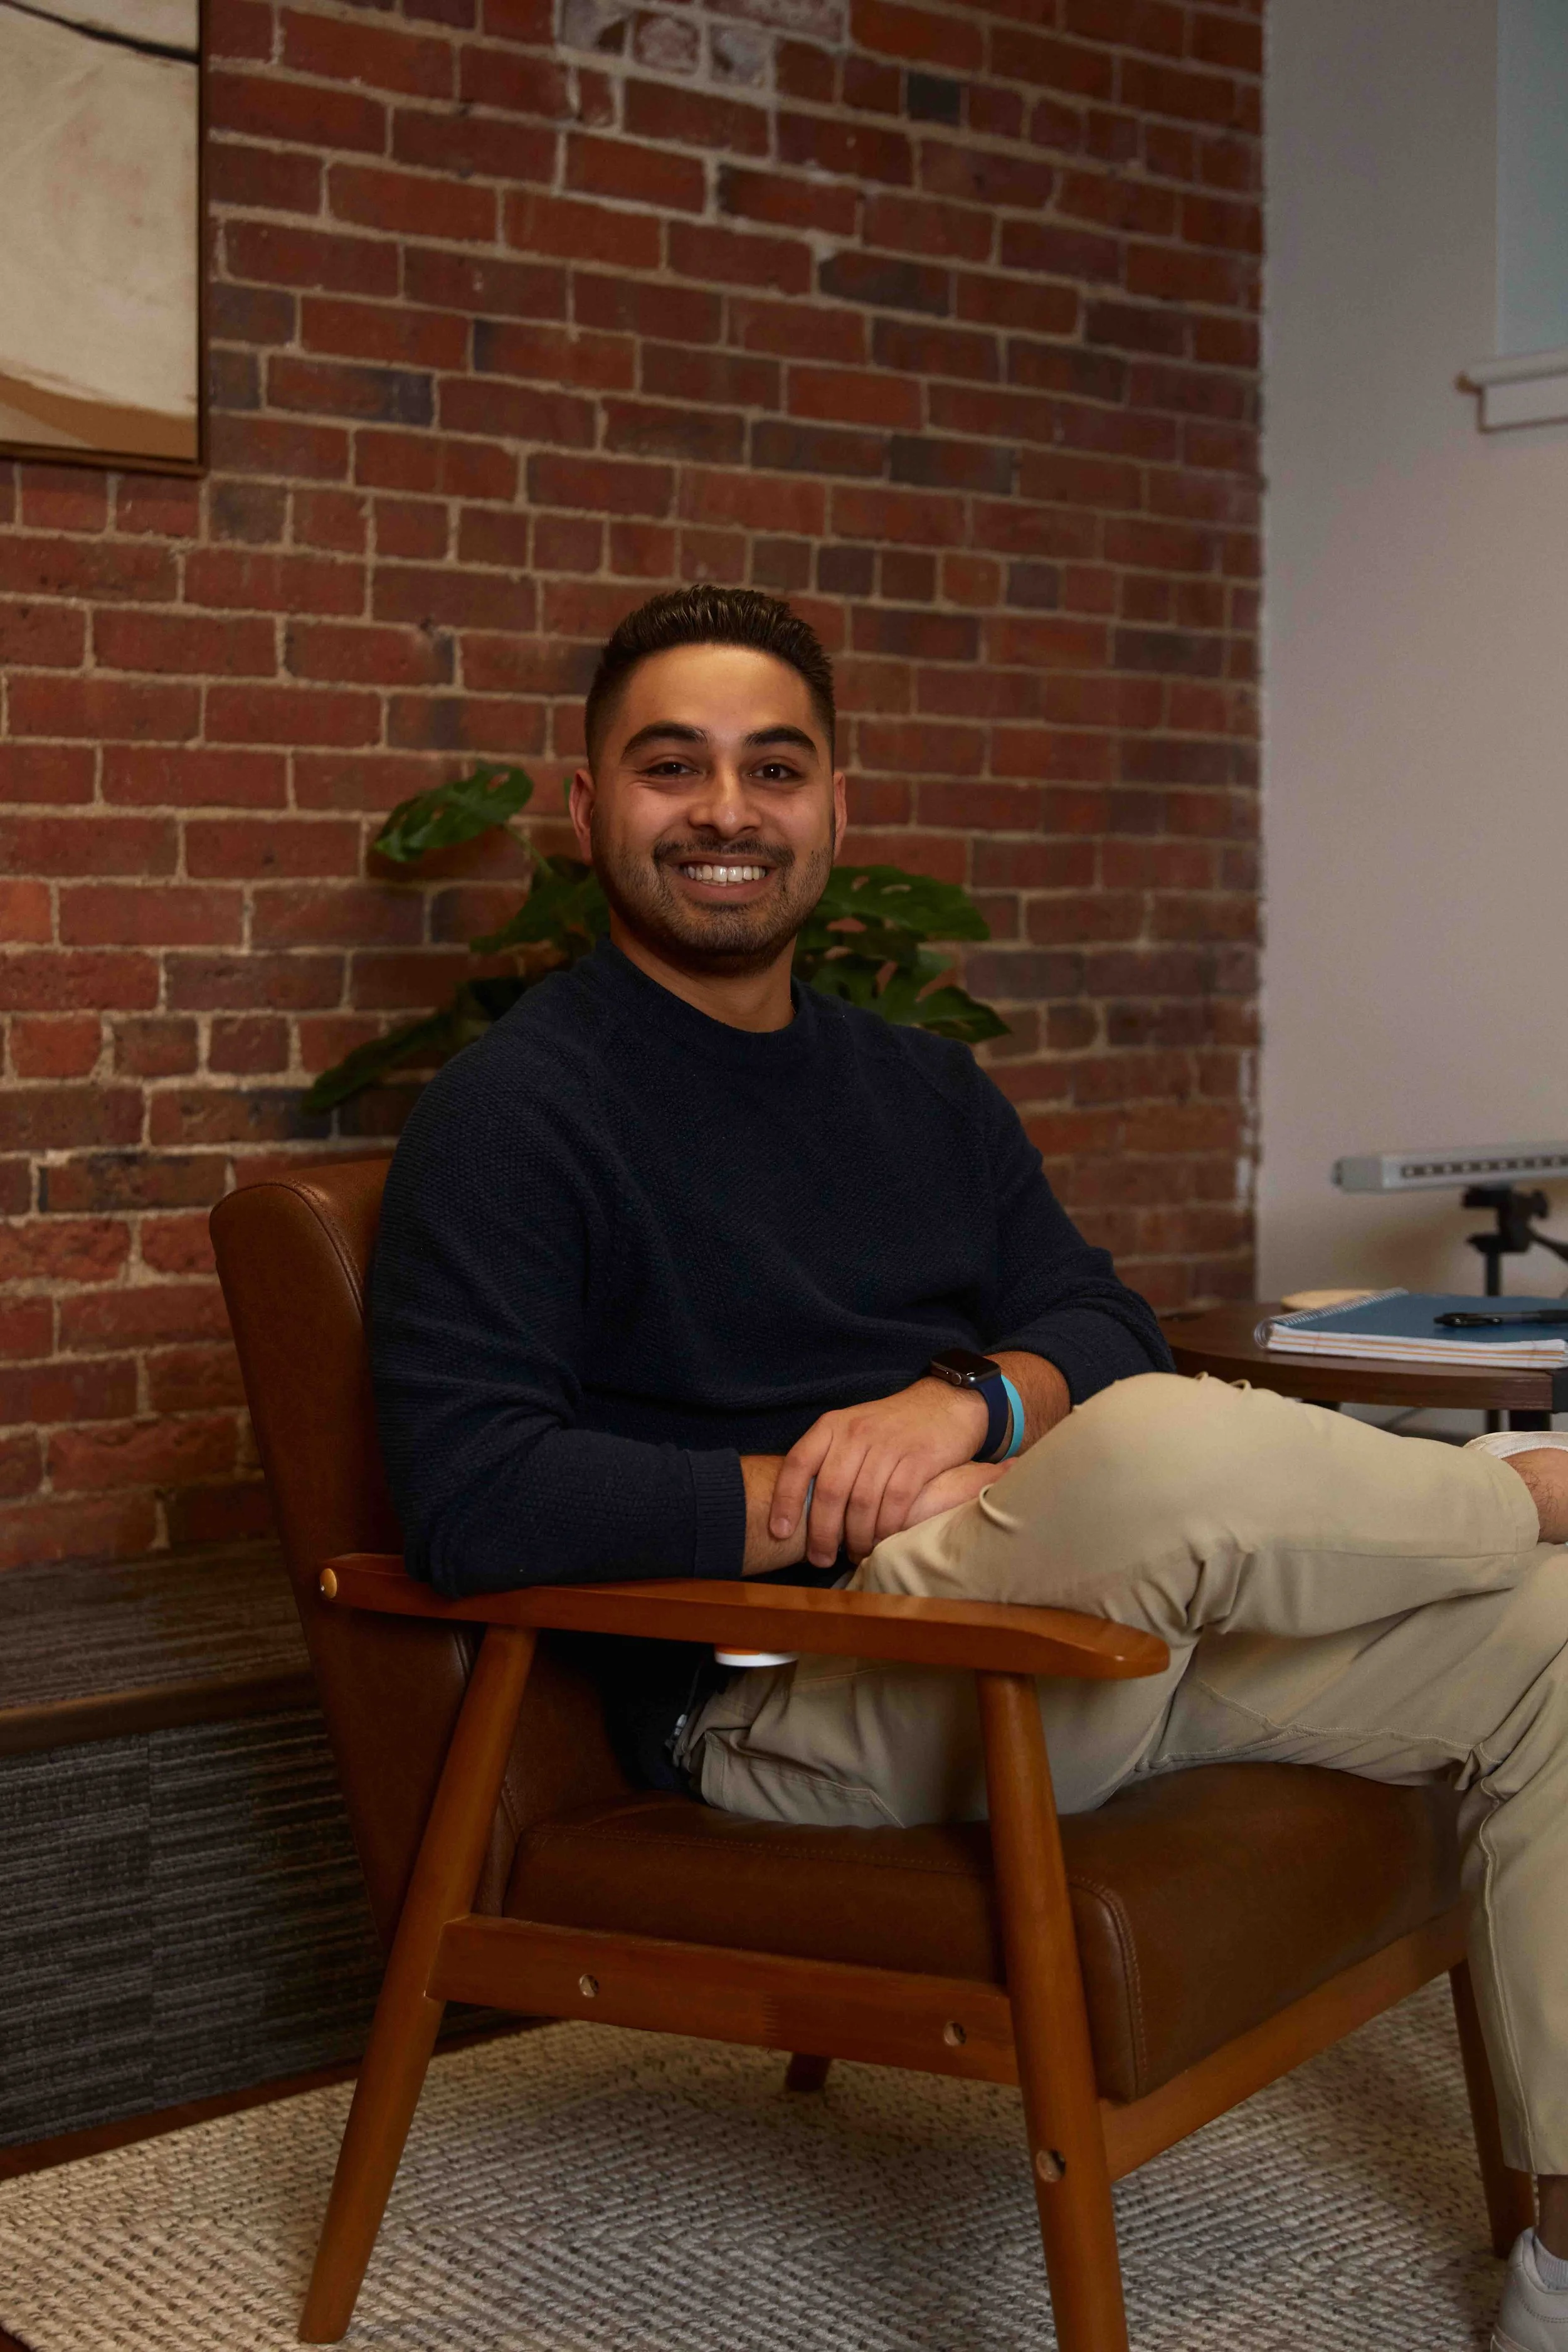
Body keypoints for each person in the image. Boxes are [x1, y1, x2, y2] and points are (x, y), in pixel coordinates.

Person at [370, 585, 1568, 2352]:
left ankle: (1559, 2250)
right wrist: (809, 1493)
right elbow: (469, 1493)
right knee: (1163, 1449)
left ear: (836, 807)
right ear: (587, 808)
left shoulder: (919, 1086)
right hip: (795, 1699)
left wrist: (973, 1407)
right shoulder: (516, 1110)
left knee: (1552, 1632)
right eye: (670, 767)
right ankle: (1524, 1481)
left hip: (1057, 1641)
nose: (725, 810)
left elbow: (1095, 1316)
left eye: (772, 767)